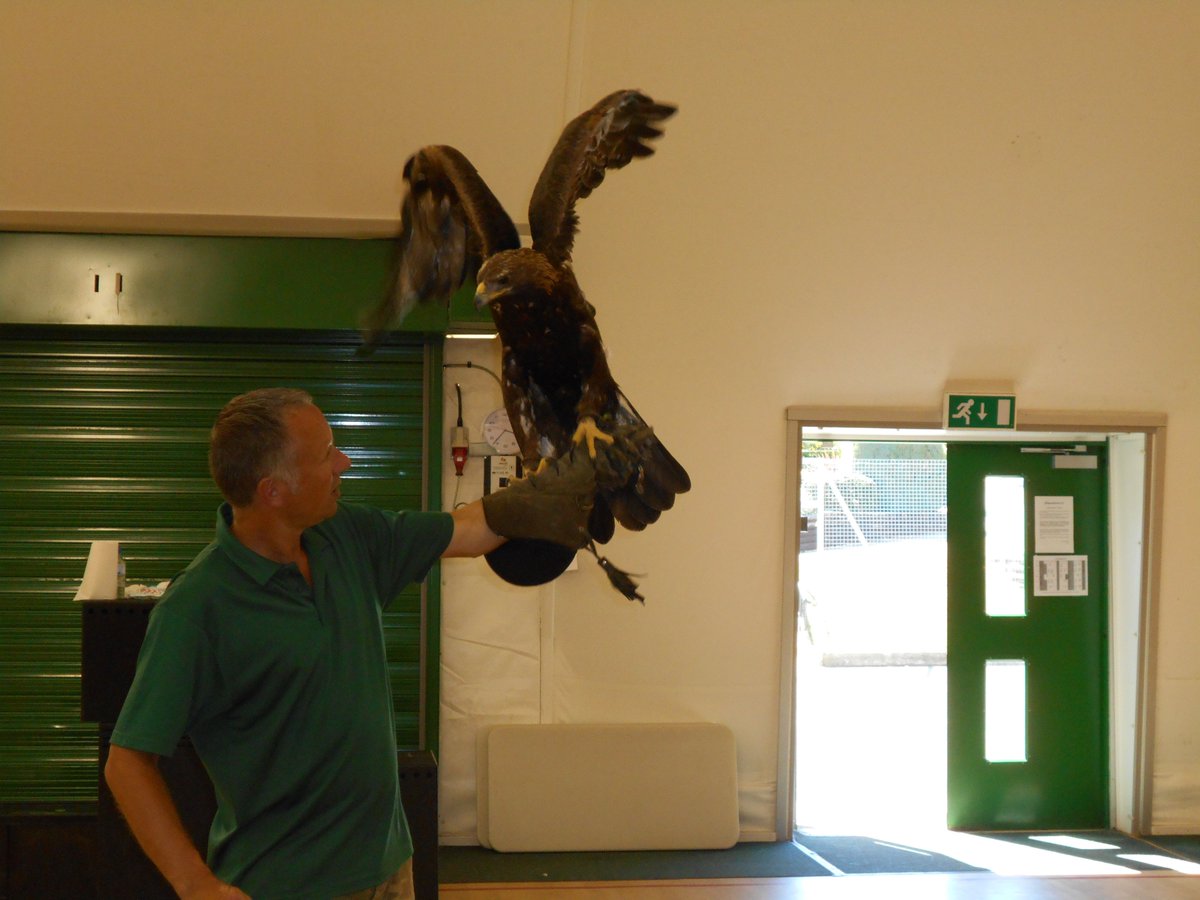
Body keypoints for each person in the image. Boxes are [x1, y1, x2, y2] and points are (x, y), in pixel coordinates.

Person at [104, 388, 597, 900]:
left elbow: (469, 529)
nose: (345, 461)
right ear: (273, 490)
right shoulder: (196, 609)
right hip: (289, 886)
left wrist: (567, 481)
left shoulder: (345, 537)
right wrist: (195, 885)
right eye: (326, 453)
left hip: (390, 869)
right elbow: (128, 764)